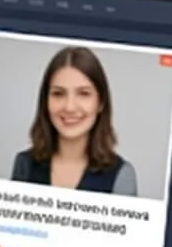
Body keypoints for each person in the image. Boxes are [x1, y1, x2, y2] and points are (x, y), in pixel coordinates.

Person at [9, 45, 139, 194]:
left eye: (83, 94)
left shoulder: (122, 175)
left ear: (101, 103)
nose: (70, 107)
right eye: (58, 94)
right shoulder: (24, 164)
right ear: (45, 102)